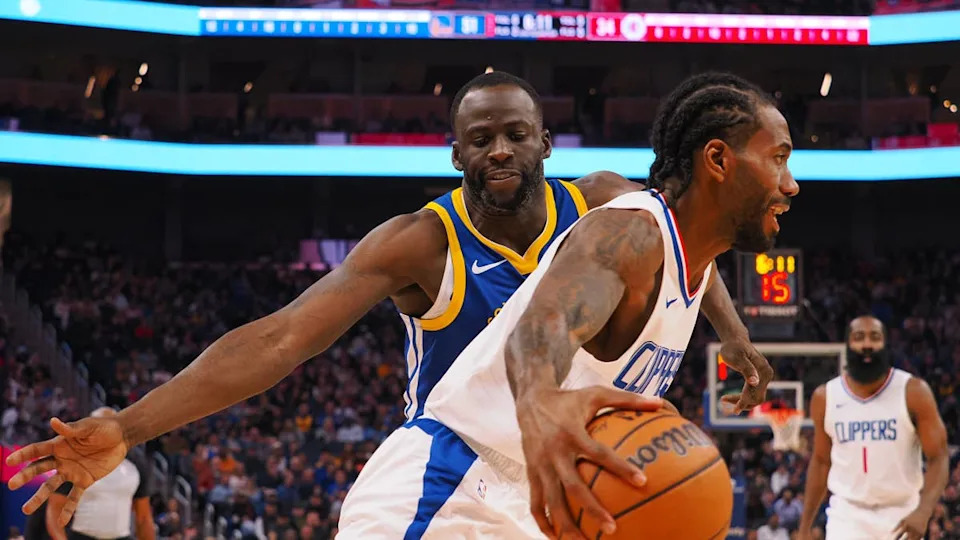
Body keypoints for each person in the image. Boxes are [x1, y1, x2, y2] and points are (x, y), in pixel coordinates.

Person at [6, 71, 770, 530]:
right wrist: (128, 426)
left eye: (514, 134)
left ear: (545, 143)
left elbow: (686, 248)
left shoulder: (609, 205)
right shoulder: (420, 242)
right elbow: (281, 340)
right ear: (456, 153)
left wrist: (730, 331)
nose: (498, 150)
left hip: (549, 487)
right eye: (480, 139)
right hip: (453, 477)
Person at [336, 72, 798, 538]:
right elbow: (543, 327)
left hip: (534, 503)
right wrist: (538, 397)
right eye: (778, 159)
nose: (791, 184)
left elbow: (697, 261)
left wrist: (735, 335)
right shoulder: (629, 233)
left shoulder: (684, 253)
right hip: (451, 486)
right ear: (717, 159)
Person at [798, 316, 949, 540]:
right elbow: (820, 462)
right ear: (848, 345)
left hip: (902, 512)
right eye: (859, 337)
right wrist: (804, 527)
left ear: (885, 345)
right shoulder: (825, 397)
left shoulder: (913, 391)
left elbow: (939, 457)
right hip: (847, 515)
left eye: (875, 337)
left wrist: (924, 511)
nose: (867, 344)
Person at [24, 408, 153, 540]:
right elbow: (54, 510)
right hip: (81, 536)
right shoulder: (74, 462)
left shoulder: (136, 465)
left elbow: (143, 517)